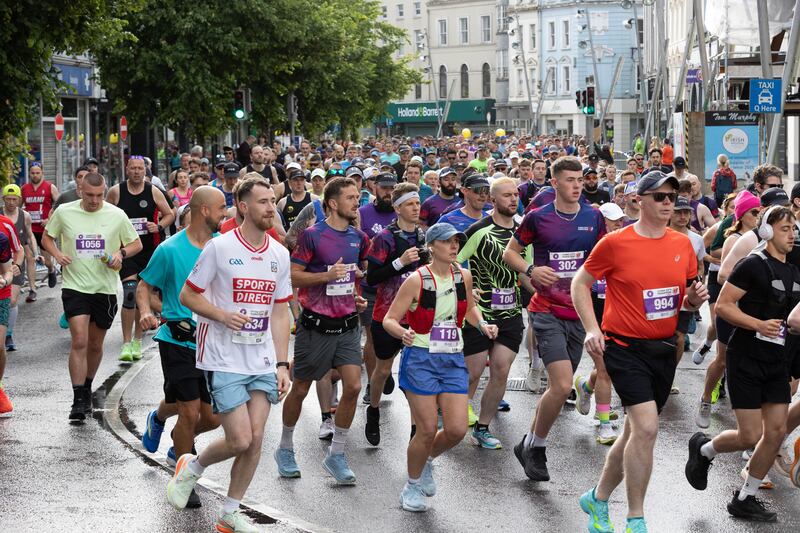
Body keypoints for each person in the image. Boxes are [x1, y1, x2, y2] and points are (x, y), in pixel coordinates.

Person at [571, 171, 707, 533]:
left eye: (672, 197)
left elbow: (686, 301)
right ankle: (635, 518)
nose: (668, 204)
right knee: (647, 427)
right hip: (623, 347)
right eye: (660, 197)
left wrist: (692, 302)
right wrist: (591, 328)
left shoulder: (682, 245)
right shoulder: (616, 243)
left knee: (636, 433)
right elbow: (579, 284)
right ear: (639, 199)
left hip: (664, 348)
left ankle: (597, 499)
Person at [167, 178, 292, 533]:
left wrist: (282, 363)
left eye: (273, 201)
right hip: (222, 356)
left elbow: (280, 312)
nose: (271, 208)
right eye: (264, 202)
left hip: (263, 359)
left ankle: (230, 512)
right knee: (239, 439)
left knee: (255, 438)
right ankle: (190, 467)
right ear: (243, 206)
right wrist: (222, 315)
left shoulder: (279, 254)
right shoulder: (219, 248)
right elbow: (188, 296)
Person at [685, 206, 799, 523]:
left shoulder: (796, 265)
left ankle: (744, 497)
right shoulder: (752, 266)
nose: (792, 234)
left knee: (774, 433)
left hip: (778, 360)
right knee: (750, 436)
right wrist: (757, 324)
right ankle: (705, 449)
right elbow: (723, 306)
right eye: (784, 228)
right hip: (746, 357)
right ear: (766, 232)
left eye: (794, 228)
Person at [502, 156, 606, 481]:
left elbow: (602, 258)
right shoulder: (538, 218)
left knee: (558, 389)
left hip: (579, 311)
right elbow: (510, 253)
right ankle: (539, 448)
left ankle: (529, 444)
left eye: (581, 179)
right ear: (555, 183)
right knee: (561, 386)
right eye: (570, 179)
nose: (577, 185)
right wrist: (531, 269)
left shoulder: (594, 217)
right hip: (546, 310)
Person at [382, 222, 498, 512]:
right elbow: (389, 319)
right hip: (421, 358)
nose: (454, 246)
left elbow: (469, 308)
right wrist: (403, 333)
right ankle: (411, 484)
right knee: (427, 428)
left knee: (458, 429)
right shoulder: (417, 280)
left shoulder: (464, 276)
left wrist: (483, 324)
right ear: (431, 246)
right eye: (446, 241)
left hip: (452, 358)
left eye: (456, 241)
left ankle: (427, 459)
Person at [137, 187, 227, 507]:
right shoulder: (169, 249)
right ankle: (183, 481)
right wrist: (147, 311)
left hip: (211, 342)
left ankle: (167, 429)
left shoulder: (221, 248)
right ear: (204, 211)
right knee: (188, 411)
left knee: (214, 417)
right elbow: (145, 285)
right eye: (221, 208)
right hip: (177, 339)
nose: (225, 213)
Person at [275, 177, 369, 484]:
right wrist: (326, 276)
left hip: (346, 326)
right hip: (315, 326)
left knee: (354, 387)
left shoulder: (358, 237)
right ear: (332, 203)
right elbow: (294, 276)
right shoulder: (313, 236)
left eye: (358, 197)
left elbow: (349, 278)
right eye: (351, 198)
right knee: (300, 388)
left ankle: (337, 454)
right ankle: (286, 446)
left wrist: (354, 297)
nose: (357, 202)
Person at [42, 172, 143, 422]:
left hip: (105, 288)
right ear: (80, 191)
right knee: (79, 340)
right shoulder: (65, 212)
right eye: (89, 195)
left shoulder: (116, 215)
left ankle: (87, 386)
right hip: (75, 286)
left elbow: (136, 244)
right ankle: (77, 399)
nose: (94, 200)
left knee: (96, 345)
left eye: (99, 195)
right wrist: (56, 253)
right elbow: (46, 237)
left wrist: (120, 253)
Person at [457, 178, 532, 448]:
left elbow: (526, 271)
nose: (513, 199)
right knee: (473, 372)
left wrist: (544, 293)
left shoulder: (524, 232)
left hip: (510, 312)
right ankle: (454, 414)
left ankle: (483, 427)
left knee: (500, 370)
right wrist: (467, 289)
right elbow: (453, 261)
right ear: (493, 200)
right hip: (480, 313)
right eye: (507, 195)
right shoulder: (478, 230)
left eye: (516, 195)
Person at [364, 183, 426, 445]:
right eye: (410, 203)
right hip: (387, 315)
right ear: (398, 208)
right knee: (382, 370)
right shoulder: (385, 238)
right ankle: (374, 409)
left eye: (417, 202)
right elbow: (372, 277)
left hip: (416, 316)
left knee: (414, 373)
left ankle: (416, 429)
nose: (416, 207)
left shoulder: (422, 236)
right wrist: (399, 262)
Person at [695, 191, 762, 429]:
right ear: (742, 214)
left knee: (749, 362)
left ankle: (749, 423)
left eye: (760, 211)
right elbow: (724, 276)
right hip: (731, 307)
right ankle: (705, 399)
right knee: (723, 360)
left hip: (752, 311)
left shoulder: (761, 237)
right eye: (754, 211)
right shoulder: (735, 239)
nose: (758, 215)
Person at [106, 156, 175, 362]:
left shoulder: (153, 191)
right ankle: (126, 343)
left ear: (145, 171)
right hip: (127, 250)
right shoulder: (116, 191)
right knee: (129, 293)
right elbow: (105, 215)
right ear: (127, 169)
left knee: (141, 295)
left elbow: (170, 214)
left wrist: (160, 226)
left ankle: (137, 339)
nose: (137, 172)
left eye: (140, 169)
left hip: (148, 250)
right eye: (133, 168)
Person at [2, 185, 35, 351]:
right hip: (1, 265)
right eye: (8, 199)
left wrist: (34, 254)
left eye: (14, 199)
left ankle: (8, 334)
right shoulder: (1, 218)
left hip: (15, 264)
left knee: (13, 300)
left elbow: (29, 237)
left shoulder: (25, 216)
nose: (11, 202)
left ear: (19, 200)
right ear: (3, 200)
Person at [21, 162, 59, 290]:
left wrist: (49, 219)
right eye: (32, 173)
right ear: (29, 174)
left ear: (42, 173)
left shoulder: (50, 187)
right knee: (30, 258)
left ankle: (51, 269)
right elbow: (18, 208)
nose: (35, 175)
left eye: (37, 173)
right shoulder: (24, 189)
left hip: (44, 230)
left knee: (47, 261)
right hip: (29, 229)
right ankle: (32, 289)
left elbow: (60, 207)